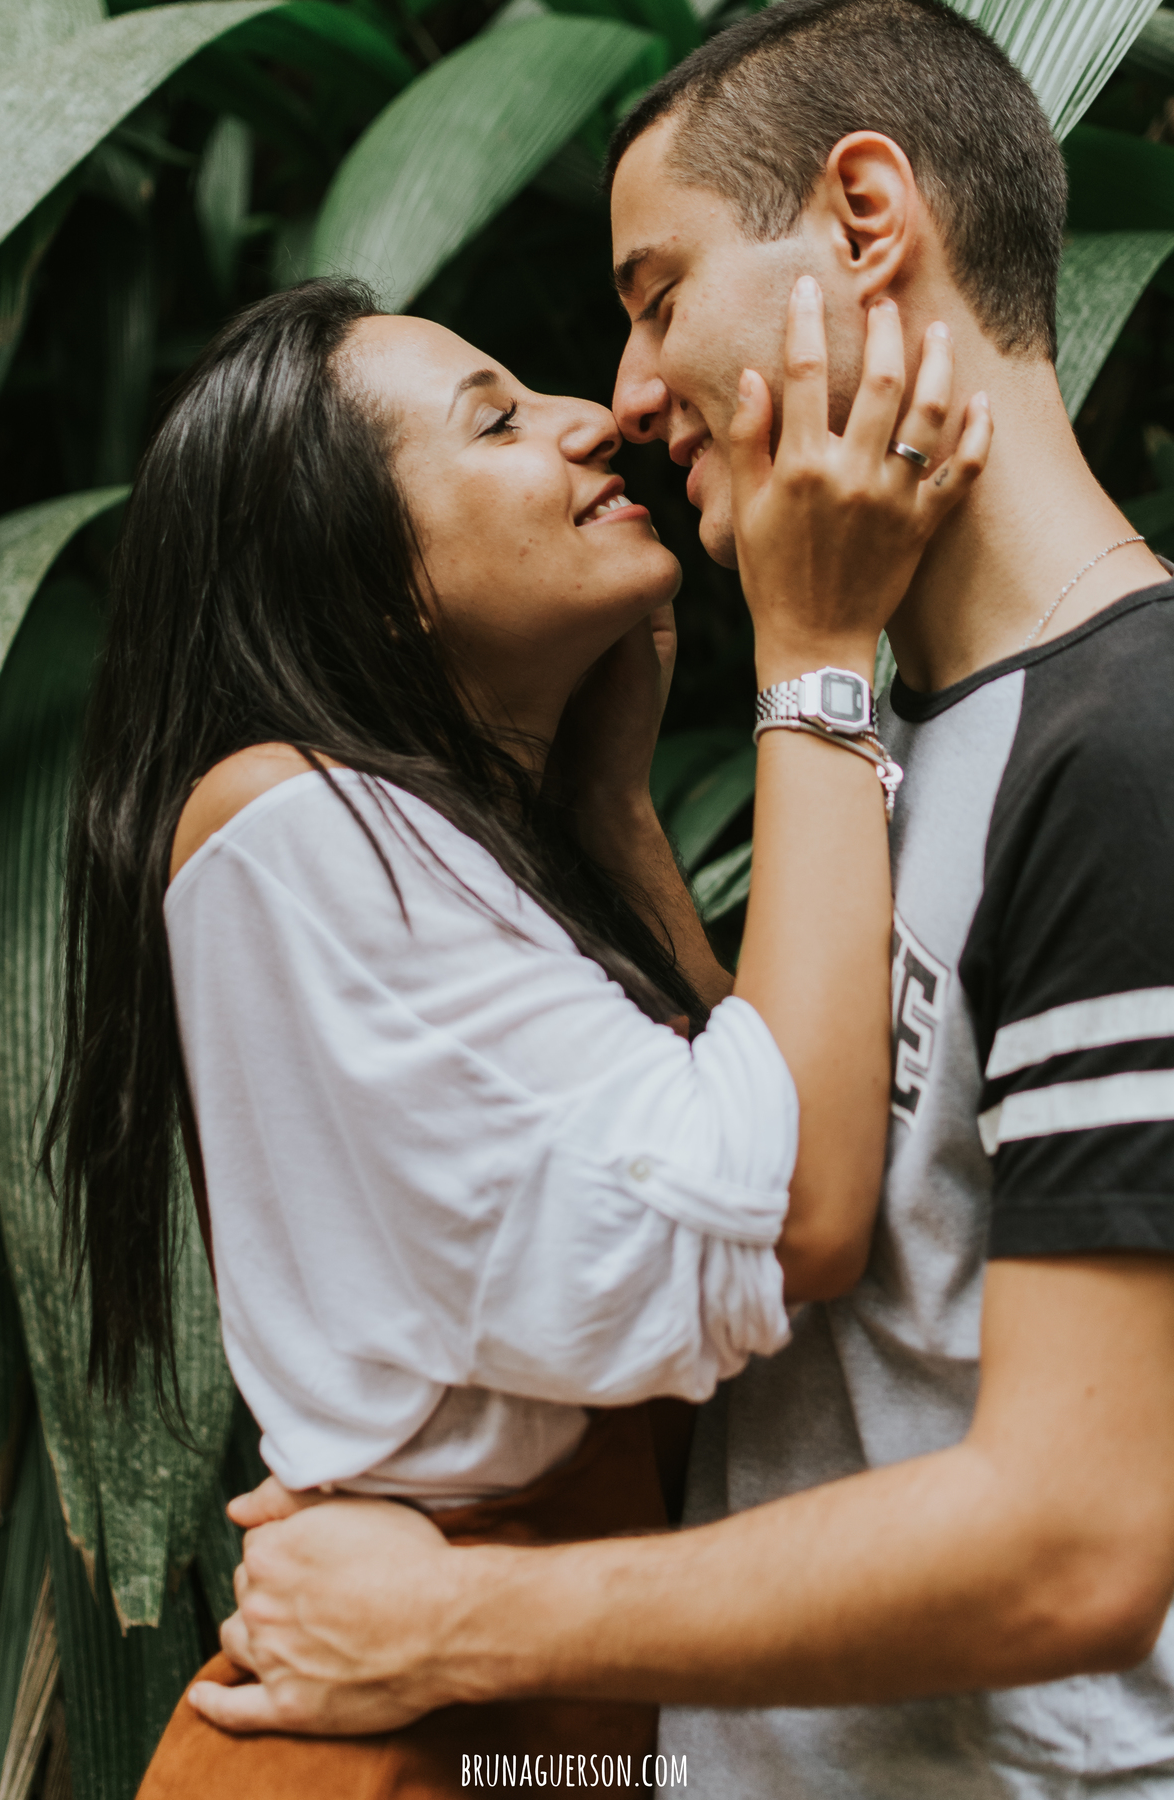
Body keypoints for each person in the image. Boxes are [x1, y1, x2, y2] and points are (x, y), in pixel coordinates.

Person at [195, 1, 1174, 1795]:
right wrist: (628, 820)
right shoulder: (920, 748)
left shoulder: (1133, 749)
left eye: (658, 294)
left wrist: (448, 1626)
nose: (629, 393)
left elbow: (1080, 1542)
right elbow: (810, 1234)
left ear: (868, 221)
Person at [48, 262, 983, 1794]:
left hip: (521, 1705)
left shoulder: (441, 852)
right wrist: (815, 648)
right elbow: (800, 1209)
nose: (588, 419)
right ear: (367, 578)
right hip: (410, 1741)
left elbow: (745, 1120)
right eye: (495, 421)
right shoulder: (285, 820)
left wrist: (613, 810)